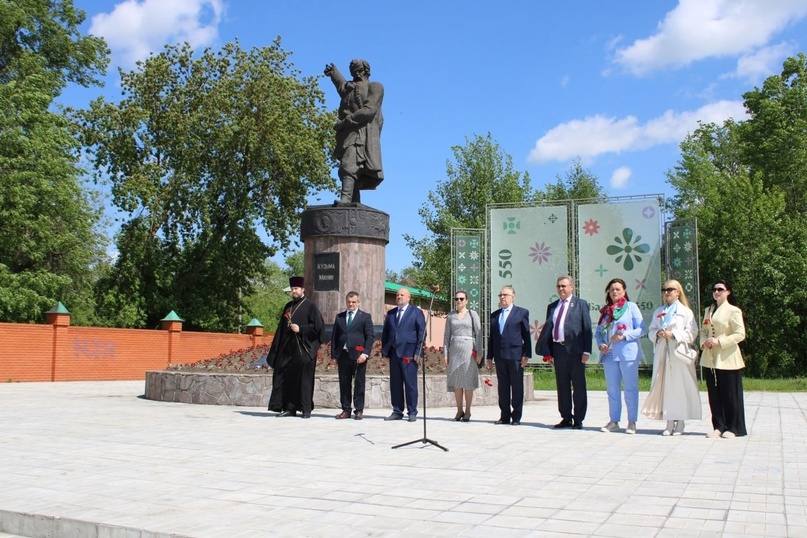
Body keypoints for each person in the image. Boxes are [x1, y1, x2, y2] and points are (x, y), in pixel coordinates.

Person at [641, 280, 701, 435]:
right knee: (665, 386)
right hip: (662, 352)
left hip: (678, 352)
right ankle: (669, 422)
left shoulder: (685, 312)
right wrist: (658, 333)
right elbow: (651, 329)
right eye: (664, 290)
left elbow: (692, 331)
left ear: (677, 292)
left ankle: (680, 422)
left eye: (670, 289)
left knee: (679, 387)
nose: (666, 292)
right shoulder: (660, 311)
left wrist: (674, 334)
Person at [324, 59, 384, 204]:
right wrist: (334, 73)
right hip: (349, 133)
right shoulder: (350, 87)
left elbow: (369, 110)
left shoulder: (375, 87)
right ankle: (353, 200)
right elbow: (341, 86)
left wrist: (346, 121)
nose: (355, 72)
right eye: (352, 70)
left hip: (363, 133)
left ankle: (345, 198)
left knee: (349, 164)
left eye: (358, 69)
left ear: (365, 70)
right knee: (353, 165)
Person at [536, 276, 592, 430]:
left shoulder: (580, 304)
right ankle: (566, 417)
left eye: (564, 286)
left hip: (575, 350)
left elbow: (587, 329)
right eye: (559, 286)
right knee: (562, 385)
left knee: (578, 385)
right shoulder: (552, 306)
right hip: (558, 350)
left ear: (571, 287)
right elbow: (549, 329)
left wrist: (586, 350)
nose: (561, 289)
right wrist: (547, 351)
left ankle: (578, 418)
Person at [267, 276, 324, 418]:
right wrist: (276, 350)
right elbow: (281, 329)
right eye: (292, 289)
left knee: (304, 379)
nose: (294, 291)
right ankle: (289, 408)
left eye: (296, 289)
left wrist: (301, 329)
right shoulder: (288, 306)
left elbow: (318, 327)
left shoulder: (310, 306)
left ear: (303, 289)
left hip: (304, 349)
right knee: (286, 377)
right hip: (288, 350)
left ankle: (305, 409)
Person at [595, 278, 646, 434]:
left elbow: (641, 329)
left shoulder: (631, 307)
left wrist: (624, 335)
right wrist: (600, 344)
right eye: (612, 290)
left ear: (624, 291)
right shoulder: (605, 311)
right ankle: (614, 420)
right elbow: (598, 332)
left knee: (630, 388)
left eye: (618, 289)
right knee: (612, 389)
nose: (614, 292)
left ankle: (632, 421)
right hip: (609, 354)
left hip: (627, 353)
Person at [700, 279, 747, 438]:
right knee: (714, 393)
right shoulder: (708, 310)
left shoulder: (733, 311)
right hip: (710, 358)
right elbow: (703, 331)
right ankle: (718, 426)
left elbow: (740, 334)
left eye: (720, 289)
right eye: (714, 289)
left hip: (727, 358)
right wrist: (703, 343)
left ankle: (733, 427)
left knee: (730, 394)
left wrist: (720, 341)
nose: (716, 292)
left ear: (728, 292)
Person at [487, 286, 531, 425]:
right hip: (500, 356)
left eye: (506, 295)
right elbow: (492, 338)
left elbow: (526, 336)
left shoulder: (521, 313)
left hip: (515, 355)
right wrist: (489, 356)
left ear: (513, 296)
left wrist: (526, 354)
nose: (502, 297)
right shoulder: (494, 315)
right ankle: (504, 416)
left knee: (517, 386)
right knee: (503, 387)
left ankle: (516, 416)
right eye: (500, 295)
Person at [381, 288, 426, 422]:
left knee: (410, 383)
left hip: (410, 353)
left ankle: (412, 411)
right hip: (394, 353)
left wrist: (418, 352)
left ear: (408, 297)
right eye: (397, 295)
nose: (399, 297)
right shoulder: (391, 314)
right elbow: (386, 333)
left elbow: (422, 333)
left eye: (402, 295)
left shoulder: (416, 312)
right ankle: (397, 411)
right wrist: (385, 351)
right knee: (395, 384)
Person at [331, 291, 375, 420]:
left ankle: (359, 410)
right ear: (346, 302)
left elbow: (370, 337)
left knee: (359, 383)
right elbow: (334, 337)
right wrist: (334, 356)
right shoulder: (339, 317)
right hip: (343, 355)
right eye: (349, 302)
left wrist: (365, 354)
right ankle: (345, 410)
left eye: (354, 302)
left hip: (358, 356)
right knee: (344, 383)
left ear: (358, 302)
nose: (351, 304)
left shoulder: (365, 317)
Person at [444, 290, 482, 422]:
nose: (458, 301)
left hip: (468, 350)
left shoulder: (472, 314)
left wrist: (479, 352)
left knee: (468, 381)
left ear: (466, 300)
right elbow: (447, 336)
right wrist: (445, 353)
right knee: (457, 382)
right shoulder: (450, 316)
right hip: (454, 350)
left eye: (461, 299)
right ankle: (459, 409)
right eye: (456, 299)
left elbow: (478, 333)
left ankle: (468, 411)